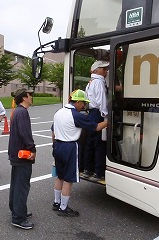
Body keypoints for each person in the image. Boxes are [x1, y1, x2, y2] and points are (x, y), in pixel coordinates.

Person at [52, 89, 107, 217]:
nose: (84, 106)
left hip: (58, 145)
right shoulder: (76, 116)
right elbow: (97, 127)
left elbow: (53, 131)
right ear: (77, 102)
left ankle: (56, 202)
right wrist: (108, 121)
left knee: (59, 175)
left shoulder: (58, 112)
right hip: (70, 147)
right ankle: (63, 208)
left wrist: (54, 146)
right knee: (68, 179)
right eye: (83, 103)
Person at [8, 88, 36, 230]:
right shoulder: (22, 112)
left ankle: (16, 210)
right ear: (24, 97)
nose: (32, 97)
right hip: (22, 154)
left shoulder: (17, 111)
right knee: (22, 186)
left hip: (15, 153)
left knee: (16, 183)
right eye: (30, 95)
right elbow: (26, 134)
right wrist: (32, 149)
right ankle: (18, 217)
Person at [83, 60, 109, 180]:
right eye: (103, 69)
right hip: (98, 114)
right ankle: (99, 172)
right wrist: (106, 116)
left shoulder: (90, 82)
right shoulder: (99, 82)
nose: (106, 71)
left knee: (90, 143)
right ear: (96, 70)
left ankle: (88, 169)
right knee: (99, 144)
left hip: (91, 114)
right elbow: (101, 101)